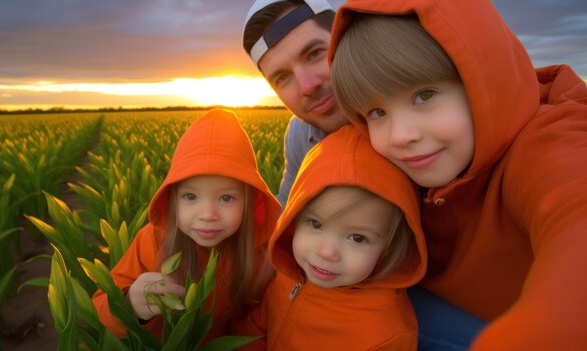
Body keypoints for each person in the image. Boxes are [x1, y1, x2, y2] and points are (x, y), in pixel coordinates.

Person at [329, 0, 587, 349]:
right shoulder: (396, 159)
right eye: (376, 111)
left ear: (482, 78)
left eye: (425, 95)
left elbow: (574, 210)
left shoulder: (548, 141)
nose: (400, 135)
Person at [92, 109, 281, 342]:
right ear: (172, 199)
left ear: (249, 203)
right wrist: (130, 305)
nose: (208, 215)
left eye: (226, 198)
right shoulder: (153, 240)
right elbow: (100, 304)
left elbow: (264, 319)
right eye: (190, 197)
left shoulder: (260, 252)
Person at [234, 125, 427, 350]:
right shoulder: (288, 275)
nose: (326, 252)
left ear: (390, 246)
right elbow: (256, 328)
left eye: (357, 238)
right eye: (315, 224)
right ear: (293, 219)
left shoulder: (385, 335)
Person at [242, 0, 349, 209]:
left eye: (315, 53)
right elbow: (289, 207)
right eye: (282, 77)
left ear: (345, 37)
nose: (307, 86)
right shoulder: (301, 134)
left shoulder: (412, 94)